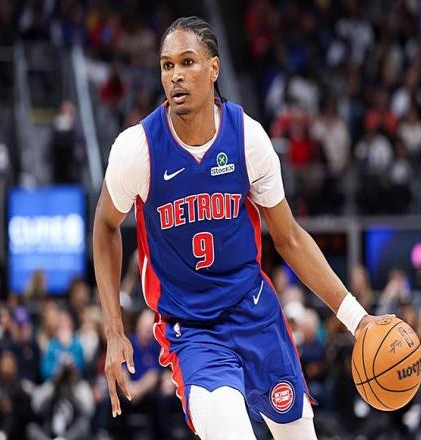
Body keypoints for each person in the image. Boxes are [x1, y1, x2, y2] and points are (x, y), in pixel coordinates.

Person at [93, 16, 383, 440]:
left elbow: (289, 238)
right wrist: (114, 329)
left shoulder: (248, 138)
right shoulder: (137, 149)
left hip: (254, 312)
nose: (175, 75)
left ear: (214, 68)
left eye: (187, 62)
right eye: (167, 65)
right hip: (192, 330)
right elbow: (105, 226)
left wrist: (358, 320)